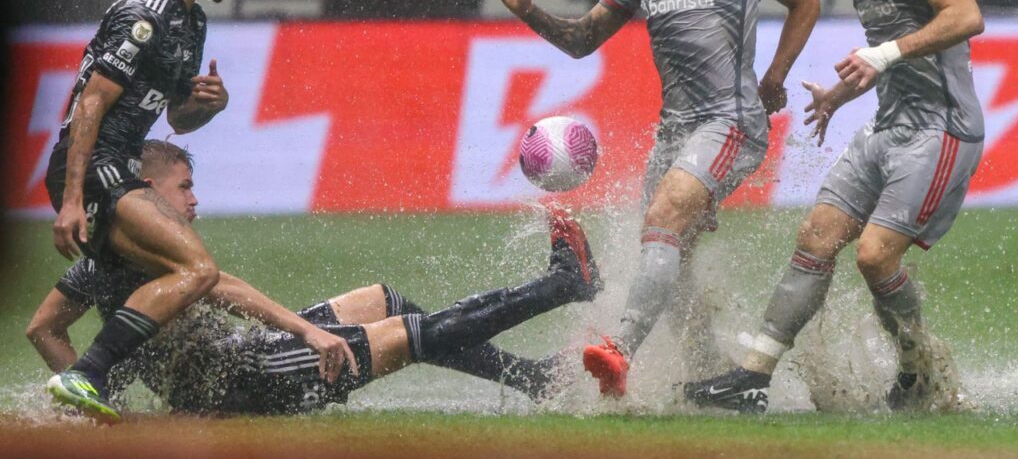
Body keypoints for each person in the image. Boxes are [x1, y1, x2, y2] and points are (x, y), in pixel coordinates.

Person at [489, 0, 821, 397]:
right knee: (667, 257)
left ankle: (619, 351)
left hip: (731, 121)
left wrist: (772, 79)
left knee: (664, 216)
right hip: (675, 132)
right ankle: (711, 378)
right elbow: (582, 41)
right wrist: (528, 11)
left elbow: (804, 1)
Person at [684, 0, 985, 413]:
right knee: (816, 236)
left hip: (940, 130)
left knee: (873, 258)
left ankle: (922, 369)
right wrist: (842, 94)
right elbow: (886, 58)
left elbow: (966, 16)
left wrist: (887, 51)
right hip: (889, 126)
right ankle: (753, 375)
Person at [29, 140, 602, 418]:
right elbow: (224, 289)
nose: (194, 199)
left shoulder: (102, 259)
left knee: (384, 299)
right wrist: (309, 334)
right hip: (251, 378)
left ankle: (528, 376)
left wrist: (99, 396)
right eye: (183, 187)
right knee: (410, 331)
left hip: (241, 360)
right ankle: (560, 285)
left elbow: (43, 329)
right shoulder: (159, 257)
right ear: (149, 191)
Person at [44, 0, 253, 420]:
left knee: (167, 278)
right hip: (94, 167)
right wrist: (72, 201)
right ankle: (85, 375)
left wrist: (210, 106)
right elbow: (90, 101)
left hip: (118, 168)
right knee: (197, 268)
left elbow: (177, 120)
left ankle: (93, 390)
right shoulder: (144, 13)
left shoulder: (191, 22)